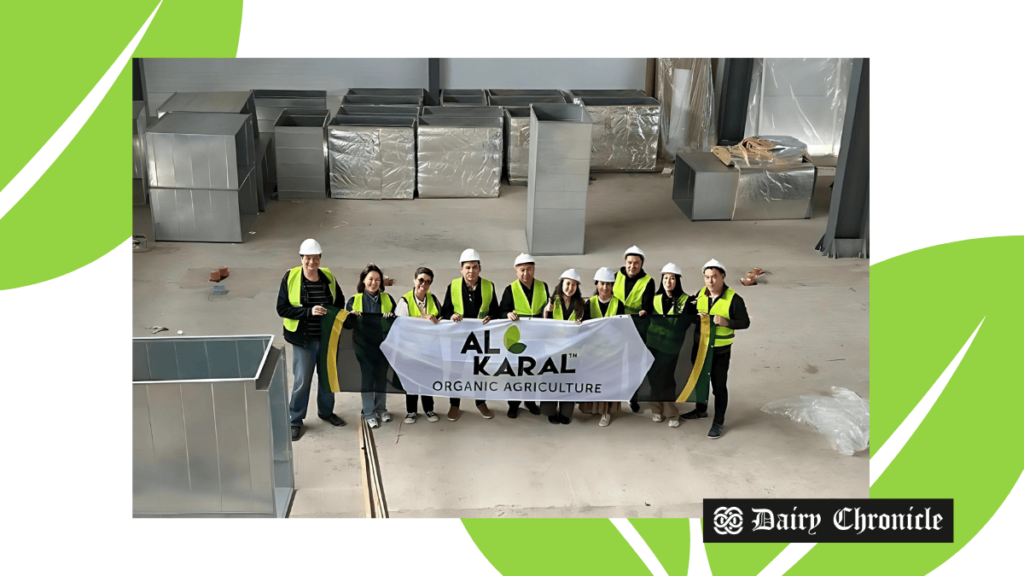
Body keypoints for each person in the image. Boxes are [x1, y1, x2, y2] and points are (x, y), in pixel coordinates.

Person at [276, 238, 347, 441]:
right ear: (301, 258)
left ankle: (326, 412)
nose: (311, 263)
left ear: (320, 259)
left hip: (326, 340)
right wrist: (309, 311)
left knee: (327, 380)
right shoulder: (291, 277)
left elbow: (339, 301)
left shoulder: (328, 277)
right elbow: (282, 309)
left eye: (315, 258)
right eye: (308, 258)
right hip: (303, 341)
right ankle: (295, 420)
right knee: (302, 381)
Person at [679, 259, 750, 439]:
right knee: (700, 382)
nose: (710, 281)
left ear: (722, 277)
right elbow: (688, 315)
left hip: (720, 351)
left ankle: (718, 422)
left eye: (714, 277)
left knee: (719, 387)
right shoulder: (700, 294)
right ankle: (701, 410)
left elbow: (745, 322)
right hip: (701, 348)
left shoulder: (734, 299)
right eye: (707, 277)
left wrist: (727, 322)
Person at [440, 248, 500, 421]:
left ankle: (481, 402)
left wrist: (492, 317)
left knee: (480, 371)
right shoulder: (453, 286)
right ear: (461, 269)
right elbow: (445, 310)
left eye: (474, 267)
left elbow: (495, 310)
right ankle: (454, 404)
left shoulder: (489, 286)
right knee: (455, 371)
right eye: (467, 267)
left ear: (479, 268)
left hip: (481, 337)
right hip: (458, 337)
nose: (471, 271)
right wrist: (451, 315)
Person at [346, 263, 398, 429]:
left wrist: (391, 317)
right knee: (368, 379)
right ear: (363, 280)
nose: (374, 283)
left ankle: (381, 409)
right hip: (363, 347)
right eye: (370, 279)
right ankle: (369, 412)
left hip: (383, 347)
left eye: (377, 280)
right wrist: (351, 316)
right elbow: (346, 325)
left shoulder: (388, 299)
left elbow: (397, 322)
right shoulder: (354, 301)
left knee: (381, 378)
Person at [500, 253, 549, 418]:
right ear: (516, 271)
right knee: (515, 372)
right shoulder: (510, 289)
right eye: (522, 270)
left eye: (529, 269)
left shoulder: (543, 287)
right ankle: (513, 404)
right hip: (517, 338)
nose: (526, 274)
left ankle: (530, 401)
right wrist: (507, 314)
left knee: (533, 371)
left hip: (537, 337)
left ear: (534, 269)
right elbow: (501, 311)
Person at [578, 267, 625, 426]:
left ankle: (606, 412)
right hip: (593, 351)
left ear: (613, 285)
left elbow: (622, 328)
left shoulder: (618, 304)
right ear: (596, 285)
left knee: (608, 381)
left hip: (611, 351)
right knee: (593, 380)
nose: (605, 288)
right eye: (601, 284)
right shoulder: (588, 304)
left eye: (608, 284)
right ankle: (591, 407)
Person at [395, 267, 442, 424]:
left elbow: (442, 319)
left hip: (428, 350)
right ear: (415, 280)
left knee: (427, 380)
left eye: (428, 281)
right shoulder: (405, 301)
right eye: (421, 280)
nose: (424, 284)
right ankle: (411, 411)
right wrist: (423, 319)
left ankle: (429, 409)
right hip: (409, 350)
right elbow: (400, 324)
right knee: (411, 381)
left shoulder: (433, 299)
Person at [614, 246, 655, 413]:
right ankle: (614, 394)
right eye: (629, 263)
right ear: (625, 263)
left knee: (634, 364)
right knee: (614, 361)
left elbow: (648, 306)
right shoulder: (615, 276)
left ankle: (634, 397)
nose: (632, 266)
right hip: (615, 326)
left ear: (641, 264)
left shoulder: (648, 281)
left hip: (637, 327)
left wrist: (645, 311)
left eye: (636, 263)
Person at [540, 269, 585, 424]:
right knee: (552, 380)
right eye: (567, 283)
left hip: (572, 351)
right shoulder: (552, 301)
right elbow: (544, 325)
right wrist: (547, 311)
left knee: (569, 382)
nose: (570, 287)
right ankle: (550, 411)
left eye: (574, 285)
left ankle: (566, 413)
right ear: (561, 284)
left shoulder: (581, 305)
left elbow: (587, 329)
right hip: (553, 350)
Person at [648, 263, 688, 427]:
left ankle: (672, 413)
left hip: (671, 347)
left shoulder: (686, 300)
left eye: (672, 278)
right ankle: (656, 410)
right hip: (652, 344)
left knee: (666, 378)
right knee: (653, 376)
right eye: (665, 278)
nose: (668, 282)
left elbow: (685, 324)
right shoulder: (654, 299)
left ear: (677, 280)